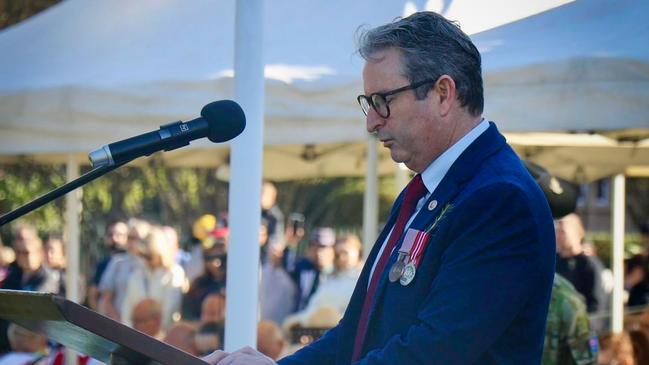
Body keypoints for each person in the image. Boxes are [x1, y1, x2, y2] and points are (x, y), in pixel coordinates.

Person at [205, 11, 555, 365]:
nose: (372, 122)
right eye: (368, 104)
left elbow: (432, 352)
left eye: (382, 101)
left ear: (443, 93)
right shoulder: (428, 190)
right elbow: (357, 333)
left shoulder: (499, 199)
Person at [555, 213, 609, 331]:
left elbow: (597, 304)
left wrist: (585, 329)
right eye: (557, 231)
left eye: (563, 232)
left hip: (581, 332)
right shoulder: (553, 262)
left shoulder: (590, 265)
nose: (558, 236)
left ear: (578, 233)